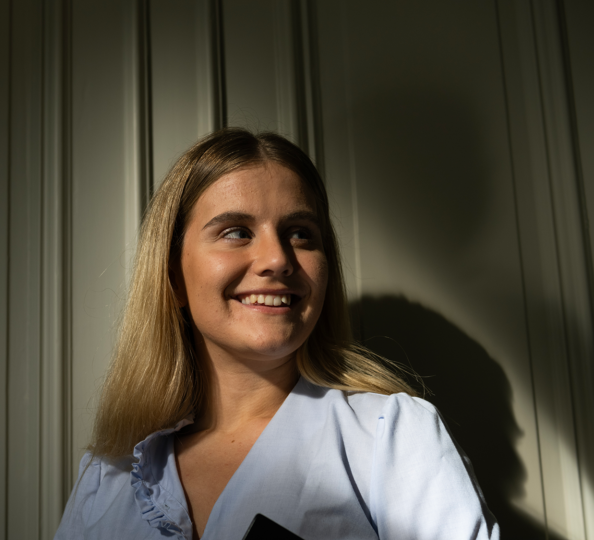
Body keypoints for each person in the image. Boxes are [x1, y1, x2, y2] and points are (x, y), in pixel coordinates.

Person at [54, 128, 499, 540]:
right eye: (236, 232)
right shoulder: (104, 477)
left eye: (300, 234)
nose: (277, 259)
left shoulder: (392, 436)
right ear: (172, 277)